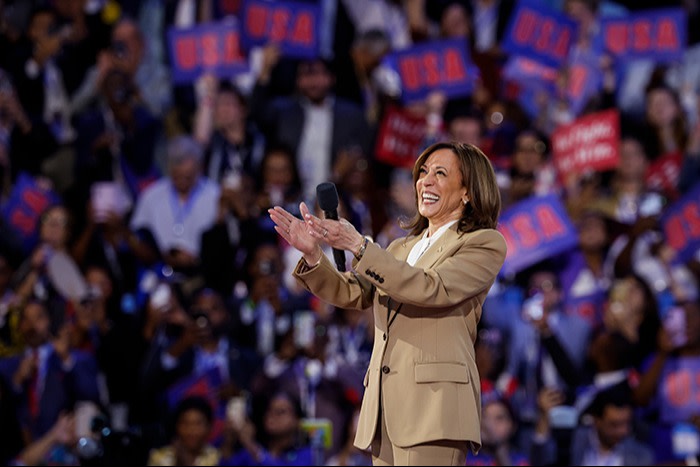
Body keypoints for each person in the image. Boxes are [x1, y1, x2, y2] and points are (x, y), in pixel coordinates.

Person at [269, 141, 507, 465]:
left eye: (440, 173)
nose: (426, 181)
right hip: (385, 409)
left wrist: (358, 244)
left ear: (468, 191)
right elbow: (354, 292)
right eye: (423, 172)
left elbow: (431, 289)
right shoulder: (399, 247)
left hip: (434, 409)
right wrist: (312, 254)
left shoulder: (482, 242)